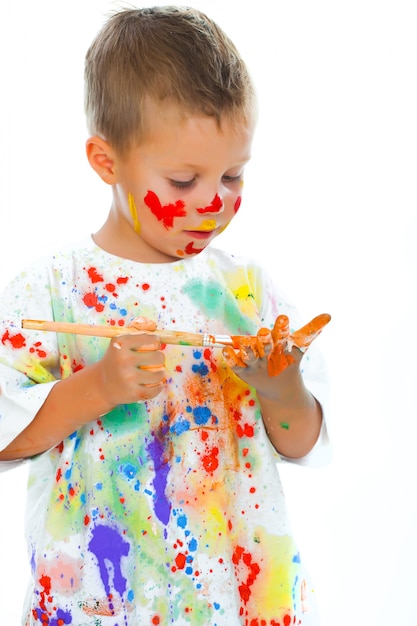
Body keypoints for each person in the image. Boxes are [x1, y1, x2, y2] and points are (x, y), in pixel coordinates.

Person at [0, 6, 330, 625]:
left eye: (233, 174)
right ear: (107, 162)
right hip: (97, 600)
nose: (215, 200)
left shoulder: (247, 291)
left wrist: (283, 387)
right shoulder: (51, 289)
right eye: (183, 180)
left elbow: (303, 441)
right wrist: (98, 386)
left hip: (240, 600)